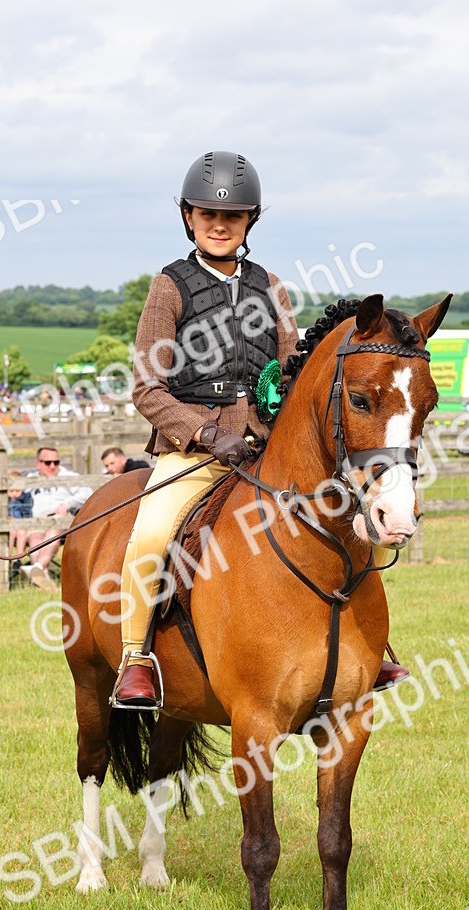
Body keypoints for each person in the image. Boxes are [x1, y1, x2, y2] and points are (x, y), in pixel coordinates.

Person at [112, 150, 300, 706]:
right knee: (150, 537)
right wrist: (209, 435)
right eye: (207, 215)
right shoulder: (169, 286)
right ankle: (136, 657)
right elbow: (146, 387)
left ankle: (370, 648)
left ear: (249, 222)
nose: (220, 225)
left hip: (264, 450)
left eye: (233, 217)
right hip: (190, 453)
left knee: (339, 515)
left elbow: (291, 372)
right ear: (189, 218)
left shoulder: (273, 289)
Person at [22, 446, 92, 589]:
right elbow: (12, 488)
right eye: (48, 463)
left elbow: (86, 492)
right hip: (36, 522)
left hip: (59, 520)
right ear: (38, 464)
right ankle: (42, 575)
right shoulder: (30, 480)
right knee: (35, 537)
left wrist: (67, 504)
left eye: (56, 462)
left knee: (54, 527)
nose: (52, 466)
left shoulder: (67, 477)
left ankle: (39, 567)